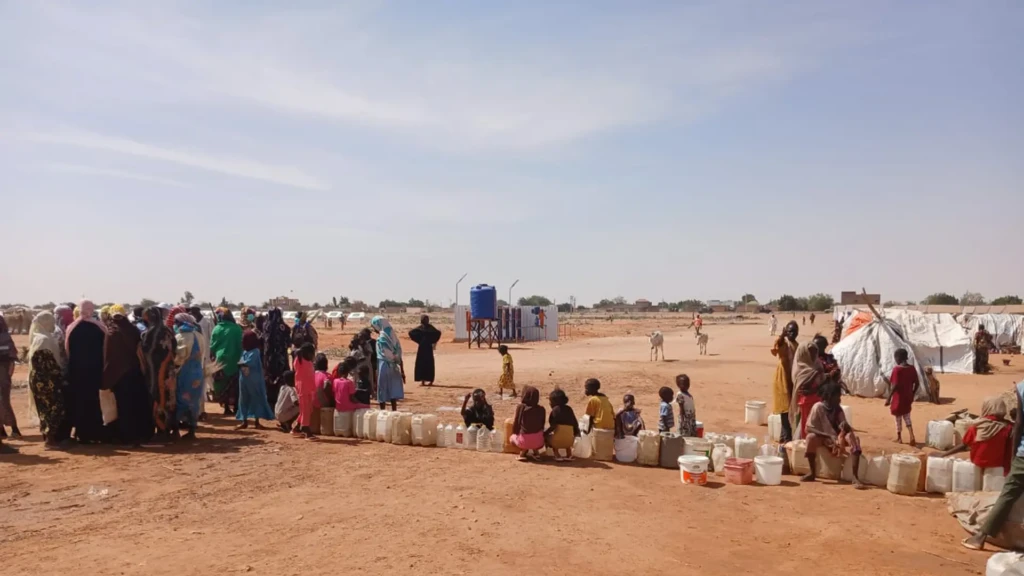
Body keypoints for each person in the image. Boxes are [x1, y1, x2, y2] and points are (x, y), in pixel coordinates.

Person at [963, 379, 1024, 551]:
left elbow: (1019, 424)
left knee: (1008, 495)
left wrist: (1014, 458)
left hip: (1022, 456)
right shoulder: (1004, 428)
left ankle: (980, 537)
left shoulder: (1021, 387)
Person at [103, 304, 154, 446]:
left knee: (124, 406)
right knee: (137, 403)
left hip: (120, 375)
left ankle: (127, 436)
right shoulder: (132, 329)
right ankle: (141, 434)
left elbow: (109, 357)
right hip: (135, 372)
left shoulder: (111, 332)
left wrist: (107, 377)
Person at [801, 381, 865, 488]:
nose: (839, 399)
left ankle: (855, 477)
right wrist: (827, 435)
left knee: (853, 438)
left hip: (836, 438)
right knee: (810, 438)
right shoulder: (818, 407)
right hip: (823, 437)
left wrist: (845, 426)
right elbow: (808, 428)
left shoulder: (838, 409)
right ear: (829, 397)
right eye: (837, 396)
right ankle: (812, 473)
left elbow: (845, 428)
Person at [66, 300, 109, 444]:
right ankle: (95, 432)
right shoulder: (99, 328)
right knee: (94, 401)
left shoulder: (72, 328)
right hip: (94, 371)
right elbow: (105, 351)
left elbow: (67, 351)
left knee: (79, 401)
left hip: (76, 371)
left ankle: (81, 432)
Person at [27, 311, 67, 447]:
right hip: (47, 379)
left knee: (44, 408)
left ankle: (48, 437)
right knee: (56, 407)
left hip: (38, 379)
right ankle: (50, 439)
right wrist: (60, 376)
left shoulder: (38, 337)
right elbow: (47, 364)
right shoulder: (44, 340)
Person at [941, 397, 1012, 473]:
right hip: (999, 467)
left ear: (986, 408)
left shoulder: (977, 426)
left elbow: (963, 445)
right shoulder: (1008, 428)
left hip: (978, 464)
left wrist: (944, 454)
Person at [139, 306, 177, 436]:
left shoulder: (148, 333)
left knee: (156, 396)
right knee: (169, 398)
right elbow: (175, 348)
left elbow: (146, 352)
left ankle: (161, 429)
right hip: (169, 371)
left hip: (155, 372)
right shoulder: (168, 331)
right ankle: (170, 428)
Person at [172, 313, 205, 440]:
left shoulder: (181, 337)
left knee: (180, 400)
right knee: (194, 402)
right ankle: (192, 430)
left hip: (184, 374)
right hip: (197, 373)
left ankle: (175, 430)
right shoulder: (199, 335)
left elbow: (179, 358)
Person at [236, 329, 274, 430]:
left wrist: (241, 364)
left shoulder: (254, 352)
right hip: (247, 379)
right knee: (244, 399)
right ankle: (245, 421)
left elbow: (246, 363)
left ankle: (256, 422)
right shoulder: (246, 351)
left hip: (252, 380)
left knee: (255, 399)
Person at [210, 307, 243, 415]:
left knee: (222, 384)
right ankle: (236, 407)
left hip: (221, 360)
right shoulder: (237, 329)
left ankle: (226, 408)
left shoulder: (217, 329)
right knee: (234, 384)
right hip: (235, 359)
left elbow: (212, 346)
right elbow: (241, 345)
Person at [771, 320, 799, 442]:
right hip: (782, 378)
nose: (792, 334)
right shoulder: (784, 343)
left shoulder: (797, 345)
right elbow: (777, 345)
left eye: (794, 331)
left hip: (792, 378)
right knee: (785, 408)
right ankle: (786, 437)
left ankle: (784, 436)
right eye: (789, 331)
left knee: (791, 408)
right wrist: (782, 335)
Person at [789, 341, 823, 439]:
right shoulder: (799, 368)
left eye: (815, 352)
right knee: (805, 426)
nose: (813, 355)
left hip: (818, 403)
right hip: (805, 403)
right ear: (804, 353)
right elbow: (803, 388)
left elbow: (823, 384)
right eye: (810, 352)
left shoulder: (818, 365)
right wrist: (815, 374)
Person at [372, 316, 405, 412]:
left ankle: (382, 411)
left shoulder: (382, 338)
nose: (374, 330)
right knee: (392, 389)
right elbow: (398, 352)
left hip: (384, 365)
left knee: (382, 388)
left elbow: (384, 354)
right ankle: (394, 410)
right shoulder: (393, 336)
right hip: (394, 366)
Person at [888, 348, 919, 445]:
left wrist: (889, 398)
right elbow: (917, 383)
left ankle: (899, 438)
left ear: (898, 358)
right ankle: (911, 435)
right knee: (907, 416)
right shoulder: (912, 368)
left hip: (899, 398)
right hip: (908, 397)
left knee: (898, 418)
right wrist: (912, 394)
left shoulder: (897, 370)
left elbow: (895, 385)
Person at [261, 308, 291, 406]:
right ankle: (280, 400)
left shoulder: (265, 326)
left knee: (269, 378)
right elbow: (288, 342)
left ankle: (269, 401)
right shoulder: (283, 327)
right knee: (281, 378)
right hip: (280, 359)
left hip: (268, 359)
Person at [510, 385, 546, 461]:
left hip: (523, 442)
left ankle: (523, 453)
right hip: (539, 442)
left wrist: (515, 433)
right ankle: (536, 452)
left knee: (512, 438)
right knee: (534, 435)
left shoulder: (521, 407)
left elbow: (516, 423)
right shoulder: (542, 409)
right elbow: (542, 425)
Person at [0, 315, 22, 440]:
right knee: (5, 401)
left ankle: (12, 429)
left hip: (3, 374)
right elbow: (12, 359)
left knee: (3, 402)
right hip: (5, 374)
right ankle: (11, 430)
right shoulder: (7, 338)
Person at [545, 388, 580, 462]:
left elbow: (553, 426)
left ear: (554, 402)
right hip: (570, 441)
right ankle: (569, 454)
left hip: (557, 441)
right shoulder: (569, 409)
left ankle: (557, 454)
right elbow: (575, 424)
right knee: (566, 433)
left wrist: (544, 433)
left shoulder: (555, 410)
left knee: (550, 436)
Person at [293, 343, 317, 439]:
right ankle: (306, 429)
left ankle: (297, 427)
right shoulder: (301, 362)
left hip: (307, 389)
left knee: (306, 410)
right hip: (303, 389)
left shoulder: (303, 361)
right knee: (306, 410)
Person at [408, 315, 441, 386]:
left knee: (429, 364)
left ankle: (430, 380)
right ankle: (422, 380)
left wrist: (432, 340)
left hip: (427, 348)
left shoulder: (430, 328)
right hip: (423, 348)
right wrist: (419, 340)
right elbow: (411, 333)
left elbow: (438, 333)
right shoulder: (421, 328)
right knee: (421, 364)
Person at [347, 328, 377, 399]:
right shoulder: (356, 347)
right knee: (357, 380)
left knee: (369, 379)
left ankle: (372, 393)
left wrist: (362, 346)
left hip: (366, 365)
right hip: (359, 366)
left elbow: (368, 354)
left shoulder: (367, 345)